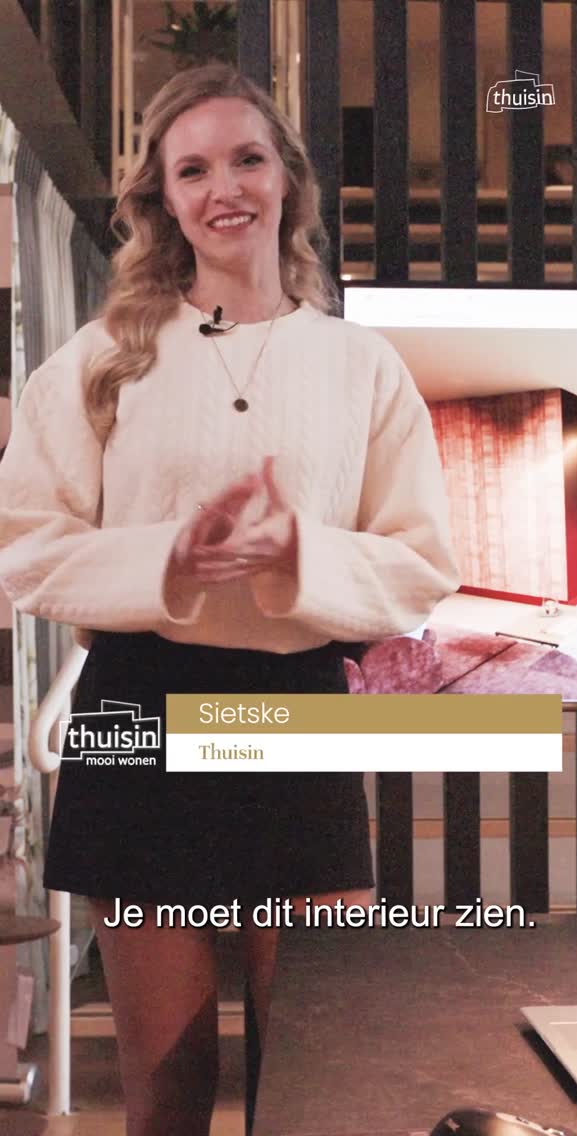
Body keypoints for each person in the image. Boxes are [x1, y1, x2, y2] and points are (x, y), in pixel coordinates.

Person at [0, 61, 459, 1136]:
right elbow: (22, 549)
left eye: (247, 159)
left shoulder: (362, 367)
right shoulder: (97, 361)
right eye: (193, 169)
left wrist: (298, 553)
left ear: (286, 178)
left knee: (320, 1081)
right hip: (135, 711)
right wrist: (169, 559)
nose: (225, 189)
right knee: (168, 1090)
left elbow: (421, 564)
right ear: (163, 197)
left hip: (297, 715)